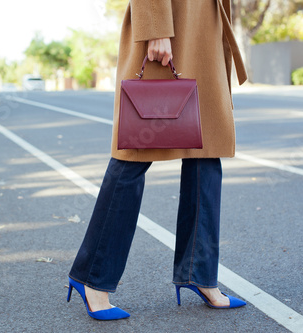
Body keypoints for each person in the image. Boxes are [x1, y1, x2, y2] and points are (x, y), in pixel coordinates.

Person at [67, 0, 248, 320]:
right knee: (133, 153)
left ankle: (200, 274)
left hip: (203, 26)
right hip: (173, 24)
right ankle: (92, 278)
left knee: (207, 153)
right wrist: (156, 30)